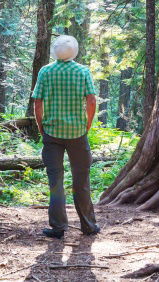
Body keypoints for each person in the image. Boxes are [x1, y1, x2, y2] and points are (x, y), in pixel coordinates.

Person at [31, 34, 101, 238]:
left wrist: (41, 127)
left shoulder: (46, 71)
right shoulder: (82, 71)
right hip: (78, 133)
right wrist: (87, 124)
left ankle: (58, 227)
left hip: (52, 132)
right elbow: (91, 100)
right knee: (81, 181)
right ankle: (88, 225)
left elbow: (37, 102)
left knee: (55, 180)